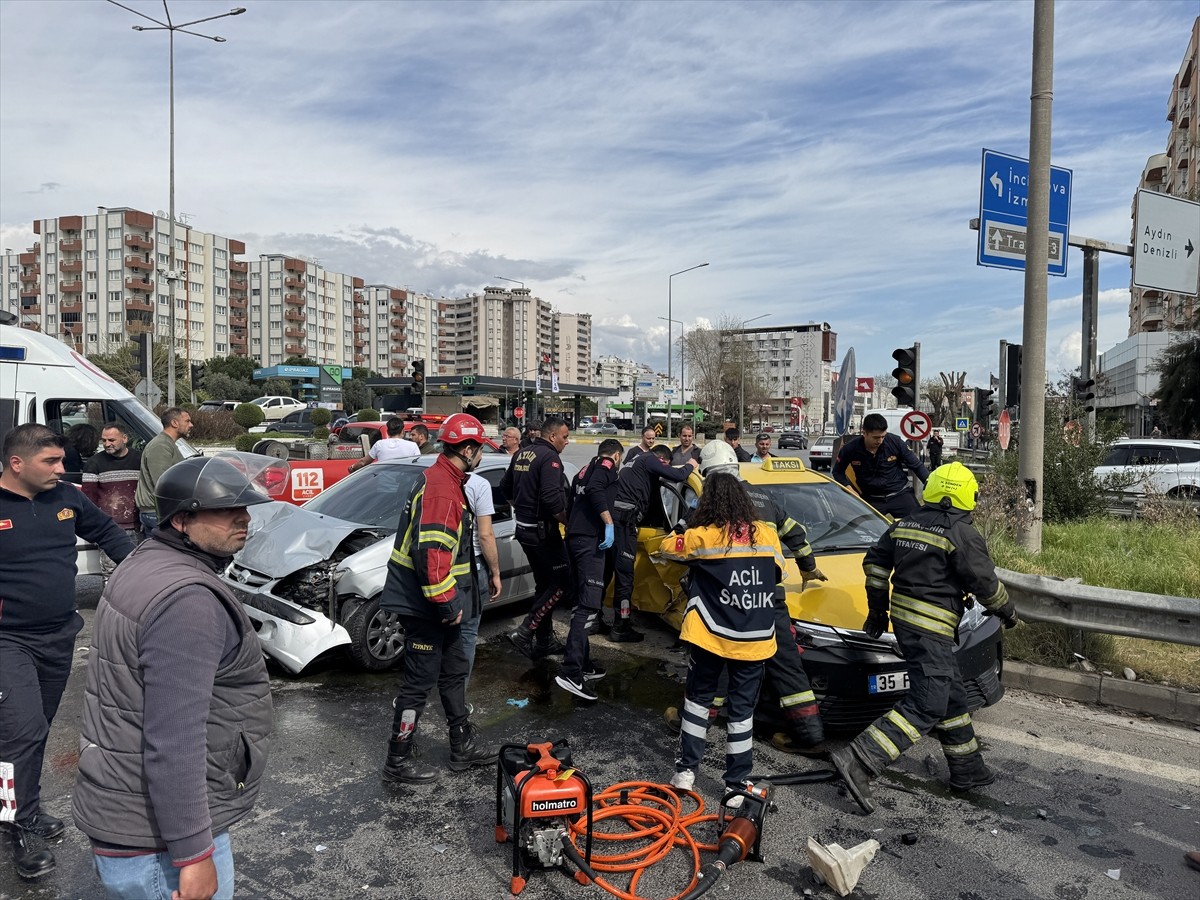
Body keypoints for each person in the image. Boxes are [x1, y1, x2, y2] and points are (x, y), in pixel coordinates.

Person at [72, 452, 278, 899]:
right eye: (226, 511)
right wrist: (193, 856)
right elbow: (175, 739)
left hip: (127, 811)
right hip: (157, 844)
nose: (243, 519)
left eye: (245, 509)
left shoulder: (146, 560)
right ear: (183, 520)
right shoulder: (187, 600)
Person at [830, 462, 1018, 815]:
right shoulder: (962, 533)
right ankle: (860, 759)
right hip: (932, 629)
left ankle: (968, 769)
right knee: (928, 702)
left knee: (950, 693)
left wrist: (877, 610)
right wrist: (1007, 612)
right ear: (966, 496)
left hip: (905, 624)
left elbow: (874, 564)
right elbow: (985, 585)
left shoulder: (904, 524)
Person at [0, 424, 134, 881]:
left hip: (59, 635)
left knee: (32, 731)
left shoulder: (68, 498)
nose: (63, 469)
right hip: (7, 641)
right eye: (51, 462)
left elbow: (109, 534)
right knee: (23, 730)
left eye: (62, 460)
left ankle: (21, 806)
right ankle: (18, 824)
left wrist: (148, 569)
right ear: (17, 463)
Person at [380, 413, 496, 784]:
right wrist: (448, 606)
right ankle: (397, 760)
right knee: (418, 683)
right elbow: (432, 559)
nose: (481, 456)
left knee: (454, 672)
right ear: (466, 448)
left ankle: (461, 745)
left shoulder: (444, 478)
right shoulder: (443, 490)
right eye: (479, 449)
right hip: (427, 606)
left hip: (437, 603)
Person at [693, 441, 829, 753]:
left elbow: (690, 544)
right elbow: (796, 534)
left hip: (728, 598)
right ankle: (810, 736)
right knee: (787, 664)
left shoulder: (710, 503)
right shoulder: (763, 498)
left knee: (717, 657)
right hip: (769, 597)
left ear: (708, 474)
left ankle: (699, 722)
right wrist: (808, 568)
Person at [658, 472, 785, 800]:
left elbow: (666, 548)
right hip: (755, 637)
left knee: (698, 703)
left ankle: (686, 772)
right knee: (742, 714)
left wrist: (684, 527)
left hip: (710, 635)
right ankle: (736, 784)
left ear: (709, 503)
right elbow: (778, 573)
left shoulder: (705, 536)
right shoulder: (767, 535)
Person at [608, 444, 698, 641]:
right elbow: (678, 476)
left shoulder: (635, 465)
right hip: (624, 524)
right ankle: (620, 627)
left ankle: (601, 620)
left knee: (609, 574)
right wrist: (691, 464)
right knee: (625, 578)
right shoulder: (649, 459)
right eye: (664, 465)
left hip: (616, 523)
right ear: (662, 460)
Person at [555, 439, 622, 701]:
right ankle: (571, 671)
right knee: (590, 606)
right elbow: (596, 490)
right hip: (589, 542)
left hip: (574, 538)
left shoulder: (584, 468)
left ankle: (583, 664)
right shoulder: (606, 466)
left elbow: (571, 502)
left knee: (580, 602)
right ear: (616, 456)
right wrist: (608, 523)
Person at [502, 417, 573, 660]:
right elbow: (553, 500)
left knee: (545, 585)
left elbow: (504, 487)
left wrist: (520, 508)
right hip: (544, 533)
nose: (567, 441)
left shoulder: (522, 454)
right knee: (563, 582)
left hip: (524, 530)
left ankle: (544, 642)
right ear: (552, 436)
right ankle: (525, 632)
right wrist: (569, 523)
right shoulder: (550, 457)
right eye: (564, 436)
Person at [831, 412, 930, 519]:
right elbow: (837, 472)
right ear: (864, 433)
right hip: (871, 499)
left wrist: (931, 485)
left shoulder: (895, 442)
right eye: (876, 437)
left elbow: (917, 466)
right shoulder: (850, 449)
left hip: (900, 494)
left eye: (883, 436)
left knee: (919, 524)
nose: (880, 440)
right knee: (859, 530)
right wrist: (850, 490)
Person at [82, 422, 143, 572]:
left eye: (111, 440)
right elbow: (88, 500)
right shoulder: (94, 463)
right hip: (110, 529)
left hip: (137, 527)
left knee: (137, 571)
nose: (107, 444)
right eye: (104, 440)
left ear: (124, 438)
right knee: (111, 573)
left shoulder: (140, 460)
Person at [461, 465, 503, 686]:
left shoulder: (428, 478)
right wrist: (495, 572)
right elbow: (485, 535)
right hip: (471, 564)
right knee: (467, 632)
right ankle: (456, 700)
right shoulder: (478, 484)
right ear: (469, 451)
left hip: (437, 563)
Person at [135, 407, 193, 534]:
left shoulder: (167, 444)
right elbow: (163, 483)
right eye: (187, 421)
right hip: (157, 513)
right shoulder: (161, 446)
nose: (191, 425)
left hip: (160, 512)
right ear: (174, 423)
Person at [347, 417, 420, 473]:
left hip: (383, 486)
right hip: (404, 486)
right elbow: (419, 465)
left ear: (388, 432)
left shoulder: (380, 444)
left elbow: (363, 462)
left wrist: (352, 468)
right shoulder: (412, 446)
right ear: (402, 431)